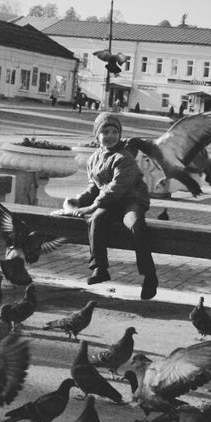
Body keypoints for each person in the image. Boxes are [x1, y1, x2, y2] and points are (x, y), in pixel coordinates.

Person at [60, 112, 158, 300]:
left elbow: (117, 187)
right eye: (105, 131)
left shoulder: (124, 157)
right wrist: (78, 202)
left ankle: (149, 275)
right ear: (97, 135)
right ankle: (100, 268)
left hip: (131, 200)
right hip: (110, 203)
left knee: (135, 225)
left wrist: (91, 207)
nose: (111, 135)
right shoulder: (93, 159)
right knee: (97, 219)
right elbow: (94, 188)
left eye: (115, 131)